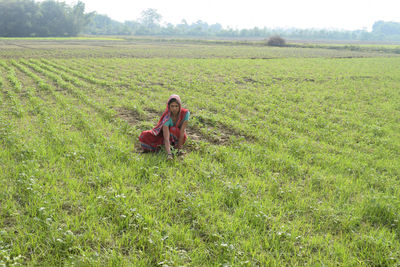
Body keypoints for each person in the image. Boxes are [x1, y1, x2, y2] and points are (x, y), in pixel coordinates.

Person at [139, 94, 190, 160]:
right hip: (166, 138)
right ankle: (167, 149)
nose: (174, 108)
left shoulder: (185, 113)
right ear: (169, 106)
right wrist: (169, 154)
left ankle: (175, 148)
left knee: (174, 129)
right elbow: (166, 137)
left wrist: (179, 149)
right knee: (145, 135)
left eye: (176, 106)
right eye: (172, 106)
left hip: (179, 137)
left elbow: (182, 131)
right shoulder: (167, 118)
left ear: (180, 106)